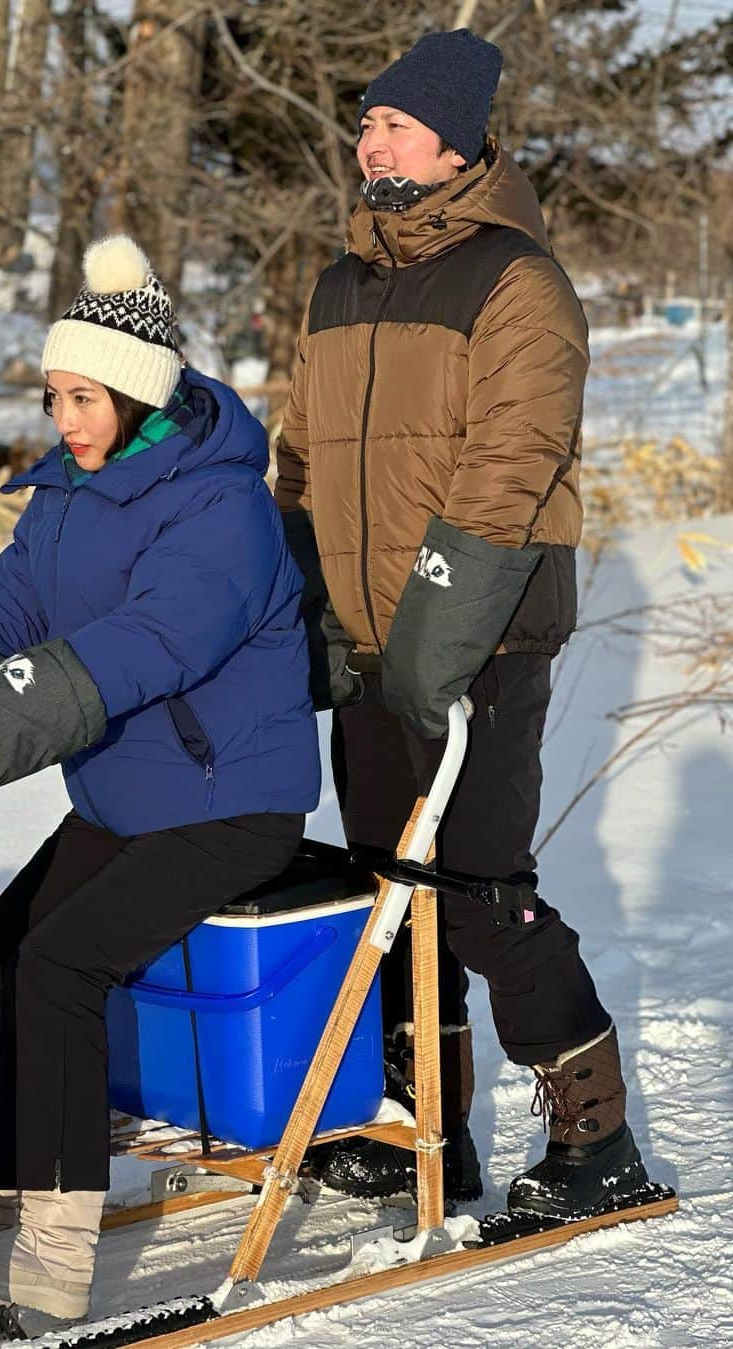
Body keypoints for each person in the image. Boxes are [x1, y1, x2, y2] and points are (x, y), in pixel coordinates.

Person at [0, 234, 320, 1328]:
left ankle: (54, 1246)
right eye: (53, 395)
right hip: (127, 796)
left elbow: (146, 645)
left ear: (137, 396)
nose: (63, 418)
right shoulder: (68, 492)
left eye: (81, 396)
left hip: (231, 802)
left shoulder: (222, 506)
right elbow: (7, 614)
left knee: (59, 965)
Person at [276, 29, 652, 1218]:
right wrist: (299, 598)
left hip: (485, 636)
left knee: (483, 891)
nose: (365, 140)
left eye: (390, 123)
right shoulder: (340, 285)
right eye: (365, 122)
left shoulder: (519, 283)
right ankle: (426, 1125)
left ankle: (596, 1141)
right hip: (371, 641)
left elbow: (510, 465)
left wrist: (439, 632)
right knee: (391, 889)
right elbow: (299, 460)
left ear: (453, 142)